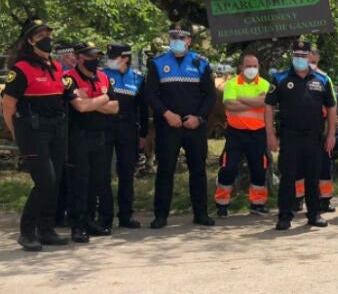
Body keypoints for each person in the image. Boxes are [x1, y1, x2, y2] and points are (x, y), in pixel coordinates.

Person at [2, 19, 75, 250]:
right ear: (31, 40)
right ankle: (27, 232)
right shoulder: (21, 69)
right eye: (40, 35)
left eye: (47, 33)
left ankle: (46, 229)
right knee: (46, 181)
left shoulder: (56, 67)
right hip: (32, 131)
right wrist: (17, 134)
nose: (46, 38)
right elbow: (8, 106)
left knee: (55, 181)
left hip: (56, 129)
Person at [145, 24, 216, 229]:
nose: (177, 40)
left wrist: (199, 118)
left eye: (181, 37)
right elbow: (150, 94)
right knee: (165, 171)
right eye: (173, 37)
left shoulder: (201, 63)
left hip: (194, 126)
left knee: (198, 171)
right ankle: (160, 216)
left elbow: (210, 95)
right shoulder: (157, 63)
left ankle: (201, 214)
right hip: (168, 126)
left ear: (189, 41)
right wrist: (167, 114)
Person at [264, 40, 336, 230]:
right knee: (288, 176)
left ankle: (314, 214)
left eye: (303, 55)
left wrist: (331, 135)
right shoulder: (280, 78)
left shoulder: (322, 79)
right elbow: (269, 106)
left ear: (309, 56)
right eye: (297, 55)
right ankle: (284, 216)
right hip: (289, 136)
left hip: (314, 136)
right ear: (292, 56)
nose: (300, 58)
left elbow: (331, 107)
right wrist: (270, 134)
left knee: (313, 176)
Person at [64, 42, 120, 243]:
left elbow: (115, 107)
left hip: (100, 136)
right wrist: (104, 99)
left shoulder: (103, 77)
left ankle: (89, 221)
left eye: (96, 56)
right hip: (78, 137)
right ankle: (77, 226)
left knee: (98, 181)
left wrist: (93, 101)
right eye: (90, 56)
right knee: (79, 182)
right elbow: (79, 107)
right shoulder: (69, 78)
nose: (95, 60)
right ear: (78, 58)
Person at [214, 53, 270, 218]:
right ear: (241, 67)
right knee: (228, 168)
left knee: (259, 168)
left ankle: (257, 204)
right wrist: (255, 102)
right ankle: (222, 204)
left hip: (258, 133)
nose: (251, 69)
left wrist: (241, 98)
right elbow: (230, 105)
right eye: (248, 66)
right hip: (235, 133)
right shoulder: (231, 83)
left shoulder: (265, 84)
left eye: (254, 66)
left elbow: (264, 102)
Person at [99, 42, 148, 229]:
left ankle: (126, 215)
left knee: (126, 172)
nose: (110, 60)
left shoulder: (137, 78)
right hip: (105, 128)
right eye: (110, 57)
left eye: (115, 57)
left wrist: (143, 134)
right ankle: (104, 216)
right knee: (103, 172)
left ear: (126, 58)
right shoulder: (102, 75)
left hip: (128, 129)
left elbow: (143, 109)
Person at [302, 48, 338, 214]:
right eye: (310, 61)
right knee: (300, 167)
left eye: (315, 62)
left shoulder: (324, 79)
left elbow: (332, 106)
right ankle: (298, 199)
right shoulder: (293, 78)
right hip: (299, 129)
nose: (312, 64)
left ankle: (325, 200)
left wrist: (330, 130)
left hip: (321, 128)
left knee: (324, 166)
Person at [52, 40, 77, 228]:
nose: (74, 59)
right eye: (71, 56)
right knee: (59, 173)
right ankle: (57, 213)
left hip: (73, 128)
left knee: (70, 173)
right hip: (59, 128)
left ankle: (65, 212)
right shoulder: (60, 74)